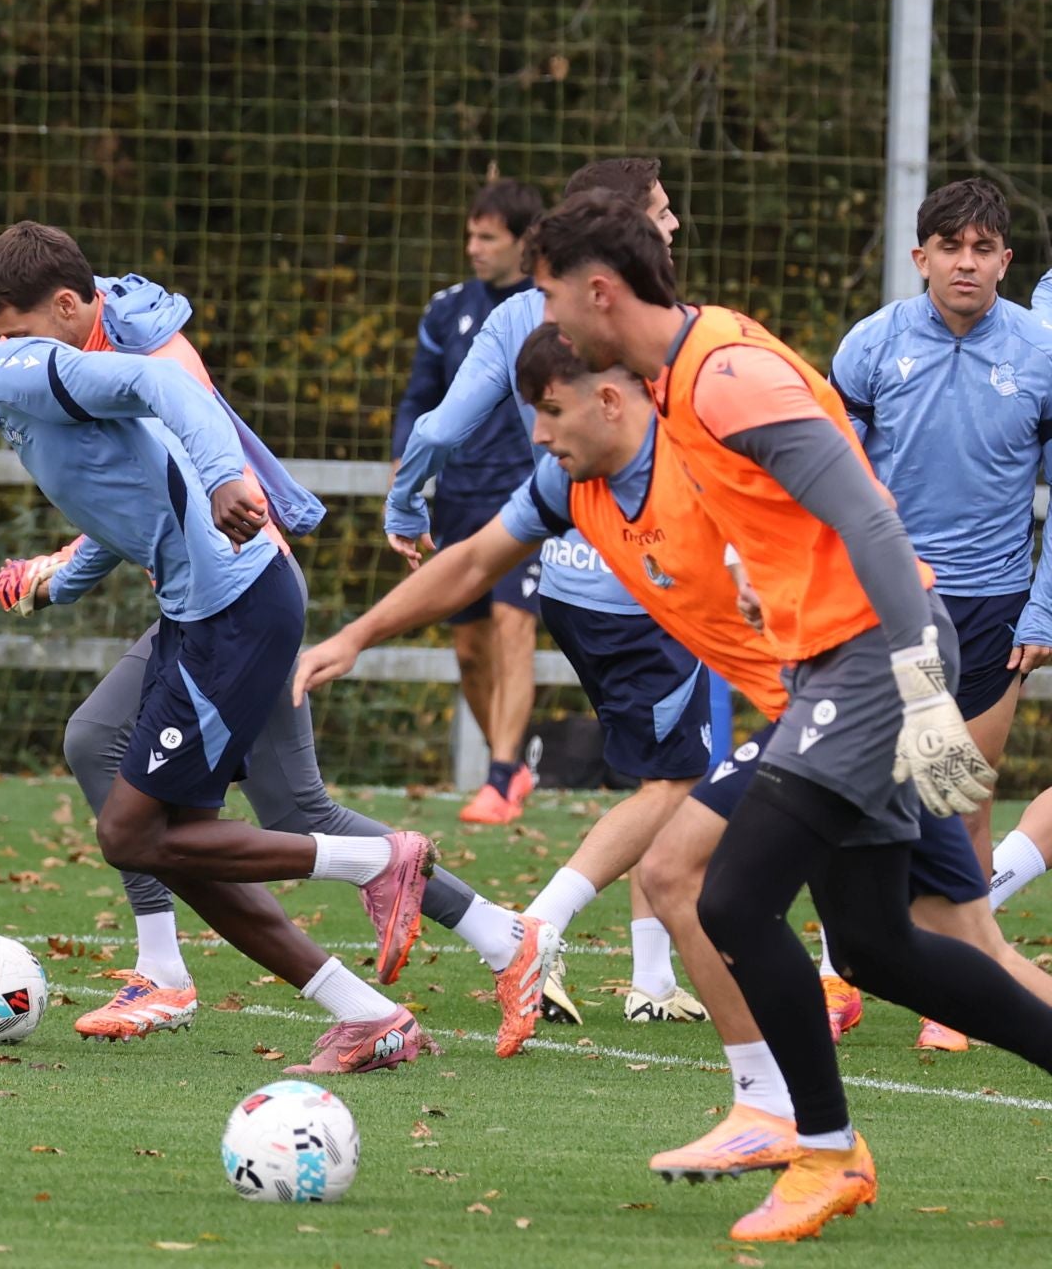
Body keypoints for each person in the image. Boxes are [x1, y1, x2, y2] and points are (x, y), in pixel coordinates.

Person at [0, 223, 558, 1057]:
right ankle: (413, 981)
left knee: (147, 828)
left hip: (238, 601)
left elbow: (180, 413)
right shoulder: (24, 368)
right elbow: (125, 497)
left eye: (4, 329)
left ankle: (346, 884)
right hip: (204, 608)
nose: (0, 345)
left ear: (42, 316)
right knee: (185, 804)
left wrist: (224, 476)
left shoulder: (45, 363)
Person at [526, 189, 1052, 1242]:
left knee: (729, 896)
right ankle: (821, 1144)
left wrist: (916, 684)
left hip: (871, 661)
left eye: (547, 294)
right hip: (832, 664)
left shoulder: (725, 373)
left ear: (596, 291)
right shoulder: (679, 381)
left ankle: (823, 1150)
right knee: (874, 946)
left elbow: (866, 511)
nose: (544, 319)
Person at [385, 158, 710, 1026]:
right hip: (646, 583)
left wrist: (401, 500)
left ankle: (651, 979)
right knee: (679, 781)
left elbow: (440, 428)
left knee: (666, 773)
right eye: (661, 214)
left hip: (564, 580)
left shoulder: (511, 319)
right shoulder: (653, 329)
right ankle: (542, 926)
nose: (673, 229)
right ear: (621, 234)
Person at [827, 178, 1052, 1049]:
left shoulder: (1038, 351)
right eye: (949, 246)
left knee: (961, 799)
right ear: (920, 256)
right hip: (888, 600)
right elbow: (824, 464)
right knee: (862, 791)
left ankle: (948, 990)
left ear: (1005, 260)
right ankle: (839, 971)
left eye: (984, 247)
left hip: (995, 604)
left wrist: (1042, 607)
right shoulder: (873, 345)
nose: (967, 262)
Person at [392, 180, 545, 824]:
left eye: (488, 237)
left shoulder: (550, 311)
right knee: (469, 648)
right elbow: (418, 398)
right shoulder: (446, 310)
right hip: (460, 495)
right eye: (470, 235)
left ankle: (502, 773)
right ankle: (508, 766)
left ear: (523, 242)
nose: (473, 248)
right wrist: (407, 462)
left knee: (515, 626)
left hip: (525, 496)